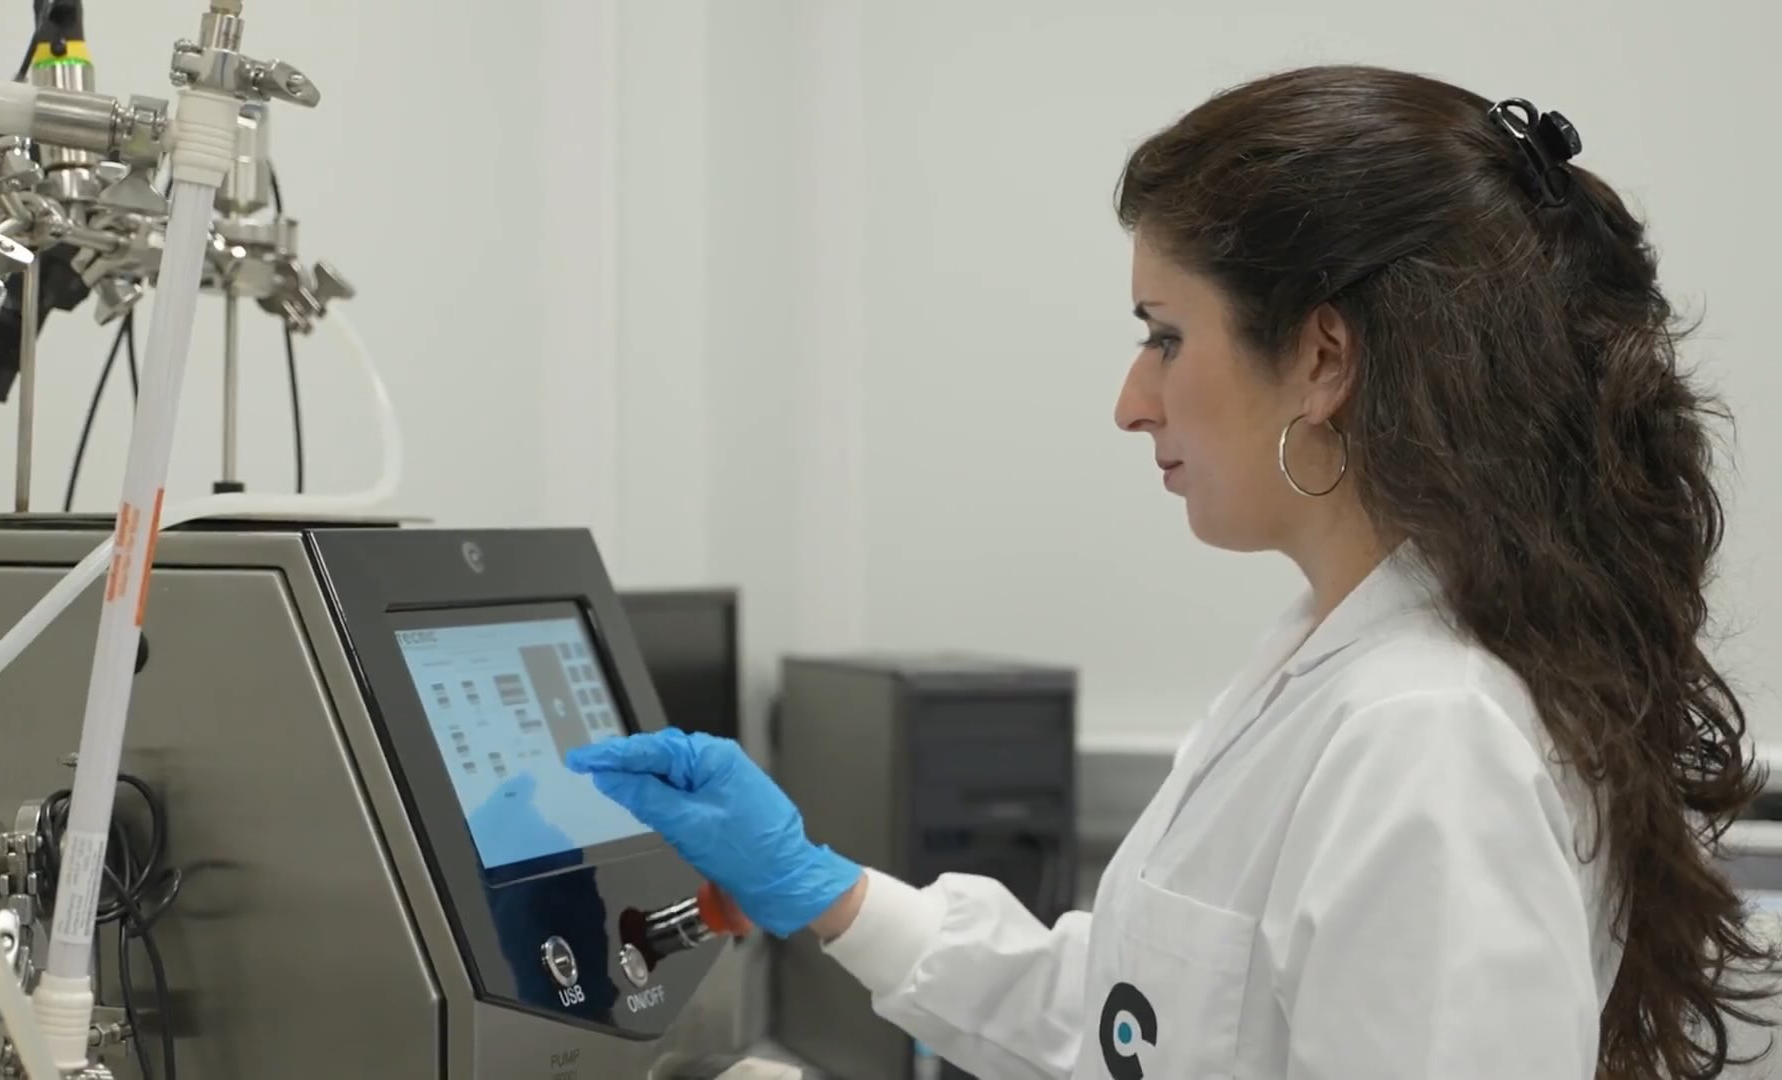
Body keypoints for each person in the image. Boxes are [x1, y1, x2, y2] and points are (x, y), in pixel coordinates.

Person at [568, 64, 1774, 1079]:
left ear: (1321, 356)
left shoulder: (1428, 740)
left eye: (1165, 335)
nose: (1131, 402)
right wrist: (824, 892)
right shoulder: (1330, 663)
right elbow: (1134, 1022)